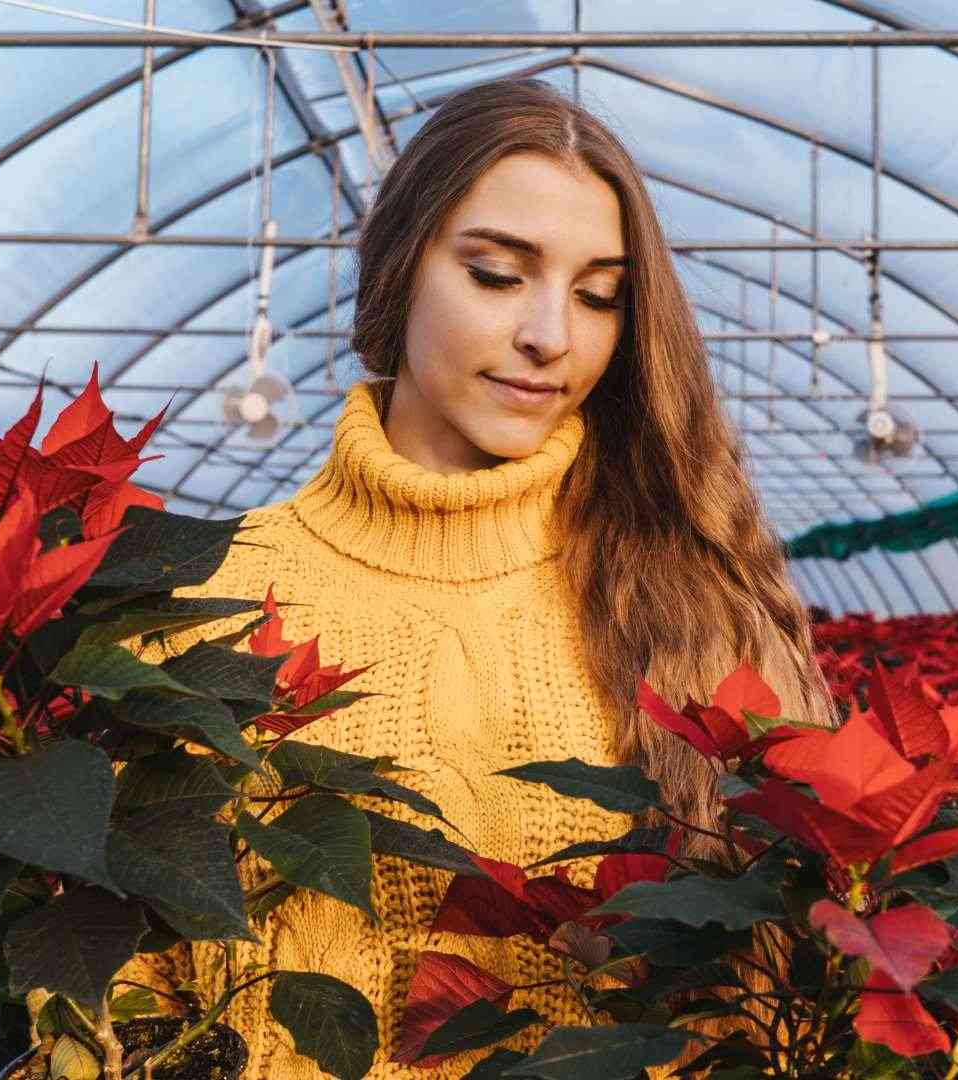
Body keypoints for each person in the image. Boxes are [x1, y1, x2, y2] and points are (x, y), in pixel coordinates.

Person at [121, 77, 837, 1079]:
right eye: (499, 274)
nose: (553, 335)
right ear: (400, 269)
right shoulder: (196, 600)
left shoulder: (690, 607)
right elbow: (122, 993)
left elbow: (776, 1001)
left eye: (600, 295)